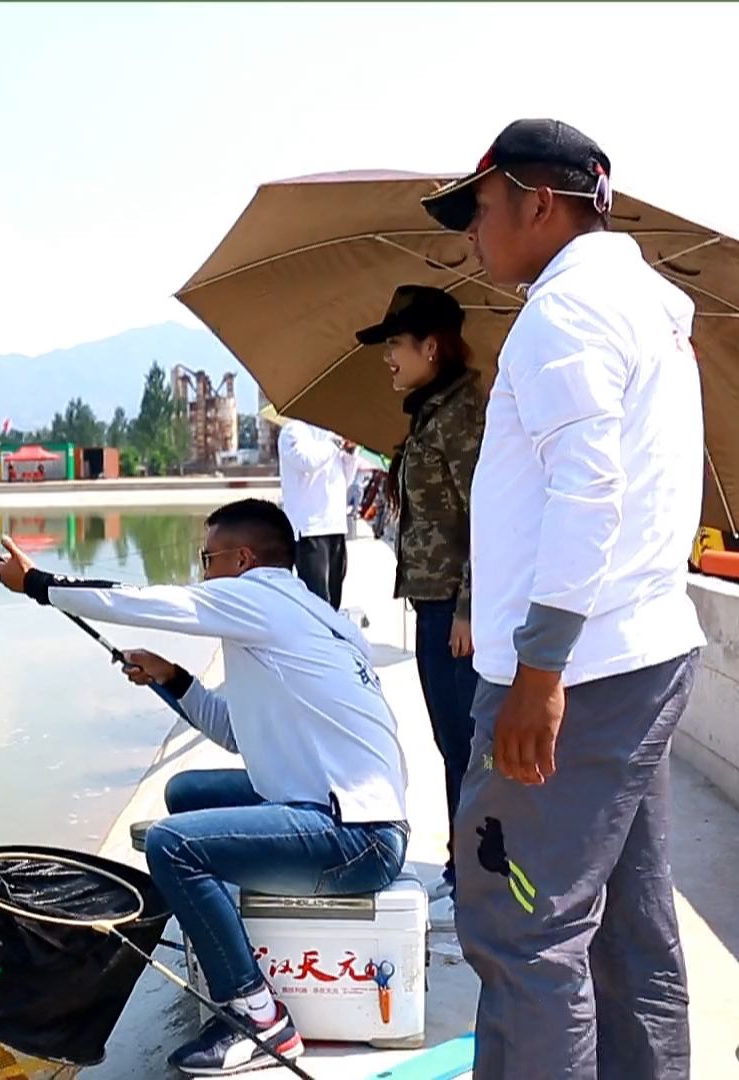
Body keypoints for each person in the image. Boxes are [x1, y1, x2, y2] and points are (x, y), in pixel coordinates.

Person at [421, 118, 706, 1079]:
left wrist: (539, 671)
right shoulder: (651, 303)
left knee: (521, 930)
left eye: (481, 210)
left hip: (574, 671)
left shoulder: (564, 313)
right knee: (629, 932)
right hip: (636, 651)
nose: (473, 235)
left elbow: (590, 493)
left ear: (538, 201)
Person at [0, 497, 409, 1077]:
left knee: (171, 843)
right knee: (186, 793)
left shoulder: (257, 596)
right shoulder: (305, 613)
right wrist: (172, 677)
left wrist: (37, 582)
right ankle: (222, 932)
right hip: (350, 816)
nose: (202, 573)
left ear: (242, 559)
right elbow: (238, 734)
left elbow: (143, 601)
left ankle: (259, 1017)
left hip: (354, 836)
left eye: (206, 559)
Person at [355, 284, 486, 903]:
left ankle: (478, 878)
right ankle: (464, 868)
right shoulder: (435, 410)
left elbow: (490, 516)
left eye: (395, 346)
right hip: (434, 601)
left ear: (432, 347)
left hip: (457, 611)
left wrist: (469, 608)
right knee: (451, 743)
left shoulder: (462, 417)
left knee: (466, 745)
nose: (388, 358)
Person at [278, 417, 360, 609]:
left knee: (334, 599)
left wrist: (350, 454)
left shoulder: (330, 438)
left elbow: (345, 479)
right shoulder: (293, 431)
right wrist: (335, 443)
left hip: (335, 526)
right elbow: (307, 461)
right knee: (317, 600)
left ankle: (331, 638)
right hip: (310, 530)